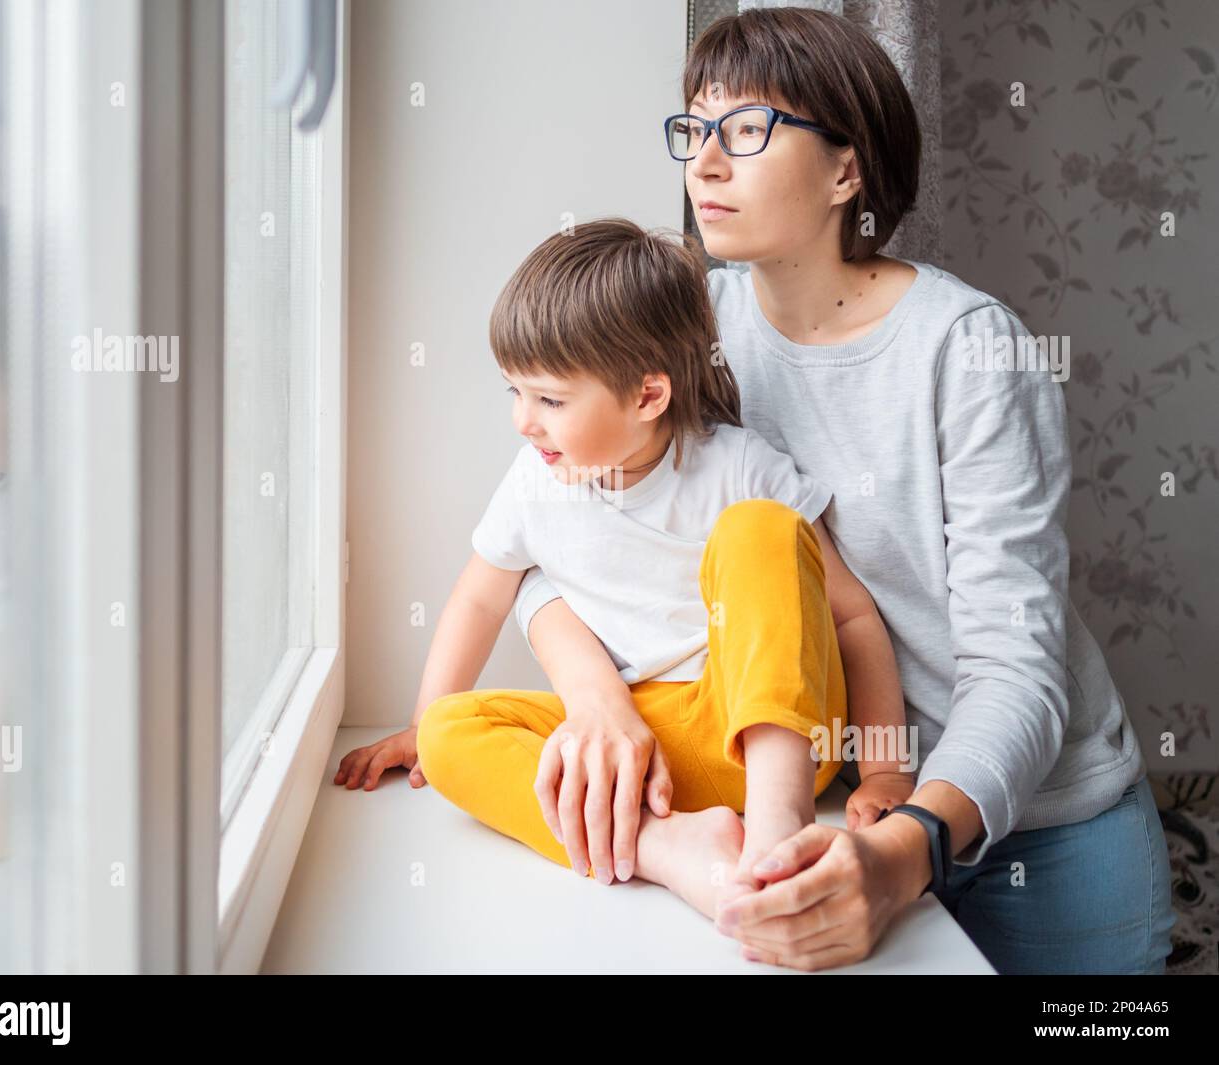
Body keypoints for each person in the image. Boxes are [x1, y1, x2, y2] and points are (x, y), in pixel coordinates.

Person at [495, 7, 1175, 974]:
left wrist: (906, 850)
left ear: (846, 171)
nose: (706, 165)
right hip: (835, 801)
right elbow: (538, 535)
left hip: (1034, 822)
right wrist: (594, 695)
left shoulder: (968, 350)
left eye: (748, 131)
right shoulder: (689, 325)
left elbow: (1016, 672)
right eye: (696, 129)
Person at [335, 216, 916, 924]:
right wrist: (420, 721)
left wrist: (886, 766)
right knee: (453, 732)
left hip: (764, 722)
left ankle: (776, 824)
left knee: (761, 527)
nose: (524, 420)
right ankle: (664, 847)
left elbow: (852, 616)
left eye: (550, 399)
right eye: (513, 392)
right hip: (639, 753)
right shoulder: (533, 483)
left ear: (648, 396)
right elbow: (479, 599)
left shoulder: (736, 467)